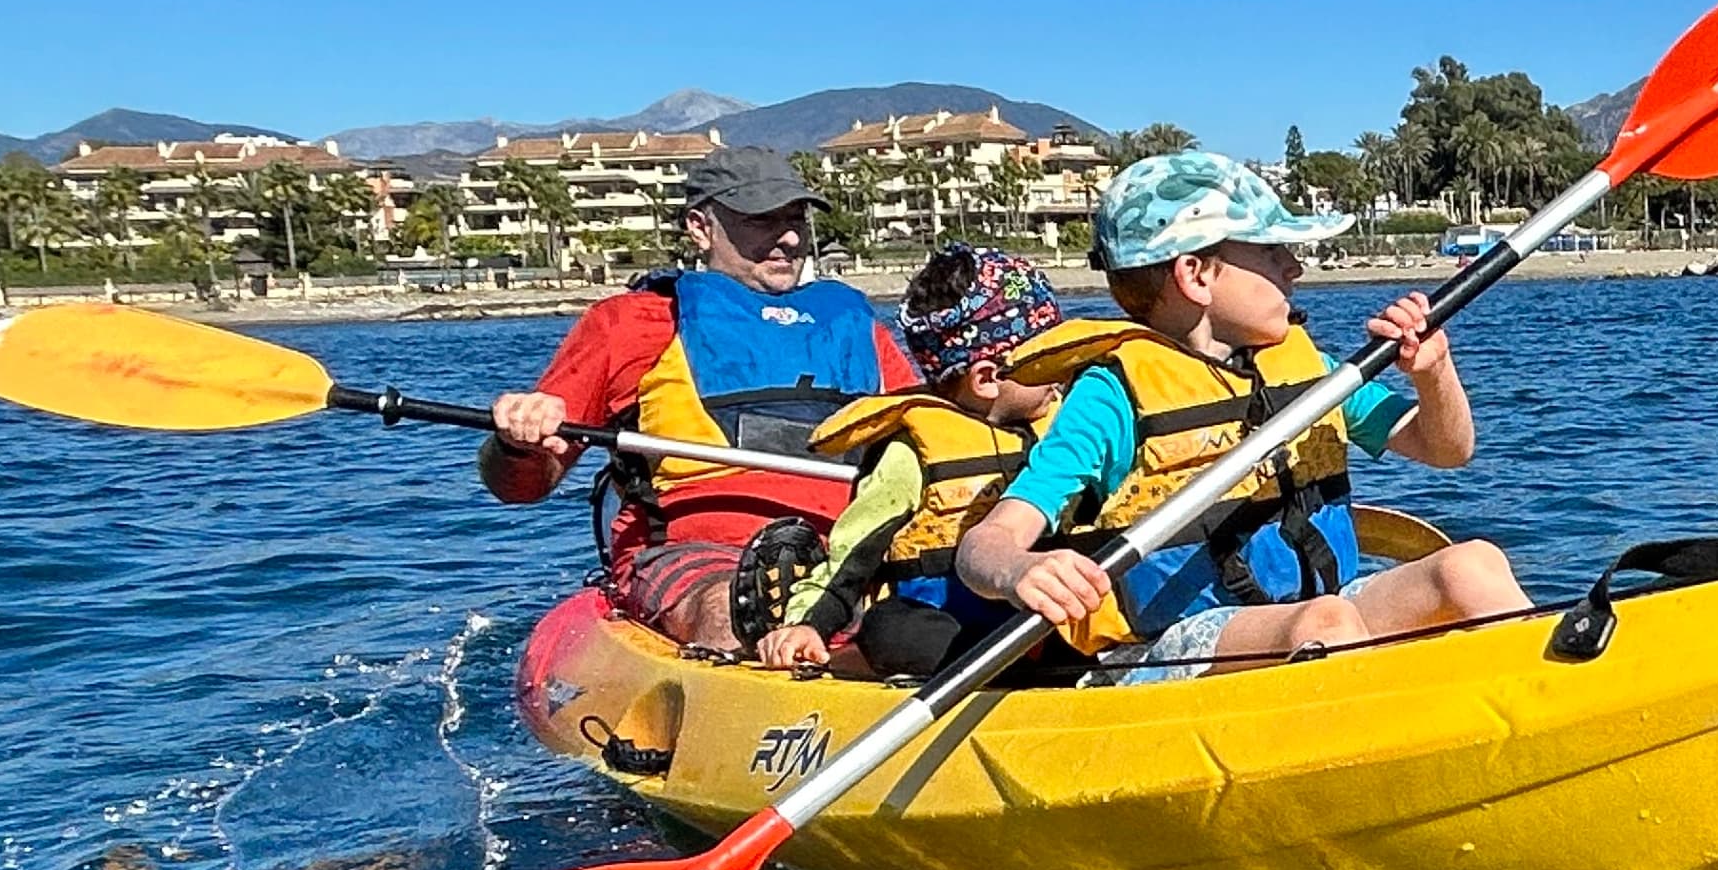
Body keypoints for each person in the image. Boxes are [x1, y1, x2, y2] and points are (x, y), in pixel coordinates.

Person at [950, 150, 1527, 678]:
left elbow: (1446, 449)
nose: (1293, 268)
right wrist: (1017, 571)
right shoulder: (1111, 397)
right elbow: (985, 546)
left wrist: (1433, 373)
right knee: (1325, 625)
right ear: (1197, 274)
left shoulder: (1309, 370)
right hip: (1172, 647)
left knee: (1471, 567)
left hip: (1315, 619)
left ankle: (1558, 708)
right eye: (1271, 252)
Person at [481, 147, 916, 655]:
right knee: (731, 611)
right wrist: (517, 442)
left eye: (796, 218)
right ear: (700, 227)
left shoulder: (857, 327)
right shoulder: (630, 324)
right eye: (762, 220)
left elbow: (930, 440)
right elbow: (524, 486)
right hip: (698, 553)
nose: (790, 237)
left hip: (850, 549)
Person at [748, 245, 1072, 678]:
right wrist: (809, 624)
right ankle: (862, 660)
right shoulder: (909, 451)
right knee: (891, 630)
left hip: (1039, 608)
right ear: (988, 378)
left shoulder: (1065, 424)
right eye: (1048, 359)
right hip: (942, 617)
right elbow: (855, 551)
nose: (1065, 371)